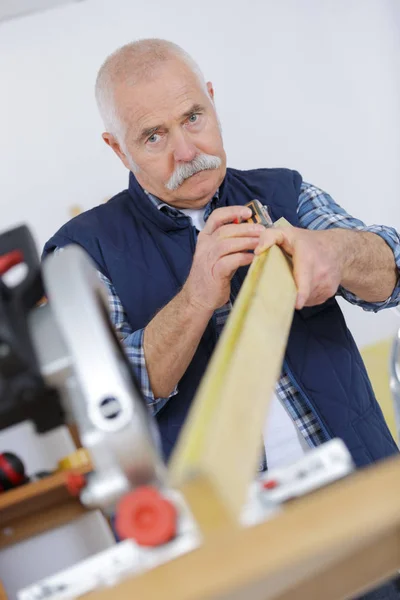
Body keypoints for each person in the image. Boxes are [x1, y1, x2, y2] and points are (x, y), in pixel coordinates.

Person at [44, 39, 400, 598]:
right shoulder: (80, 255)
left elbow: (392, 272)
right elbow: (115, 404)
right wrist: (195, 296)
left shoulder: (283, 189)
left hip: (367, 508)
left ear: (211, 101)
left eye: (193, 117)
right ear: (118, 149)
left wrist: (335, 252)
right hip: (234, 558)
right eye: (154, 136)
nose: (187, 150)